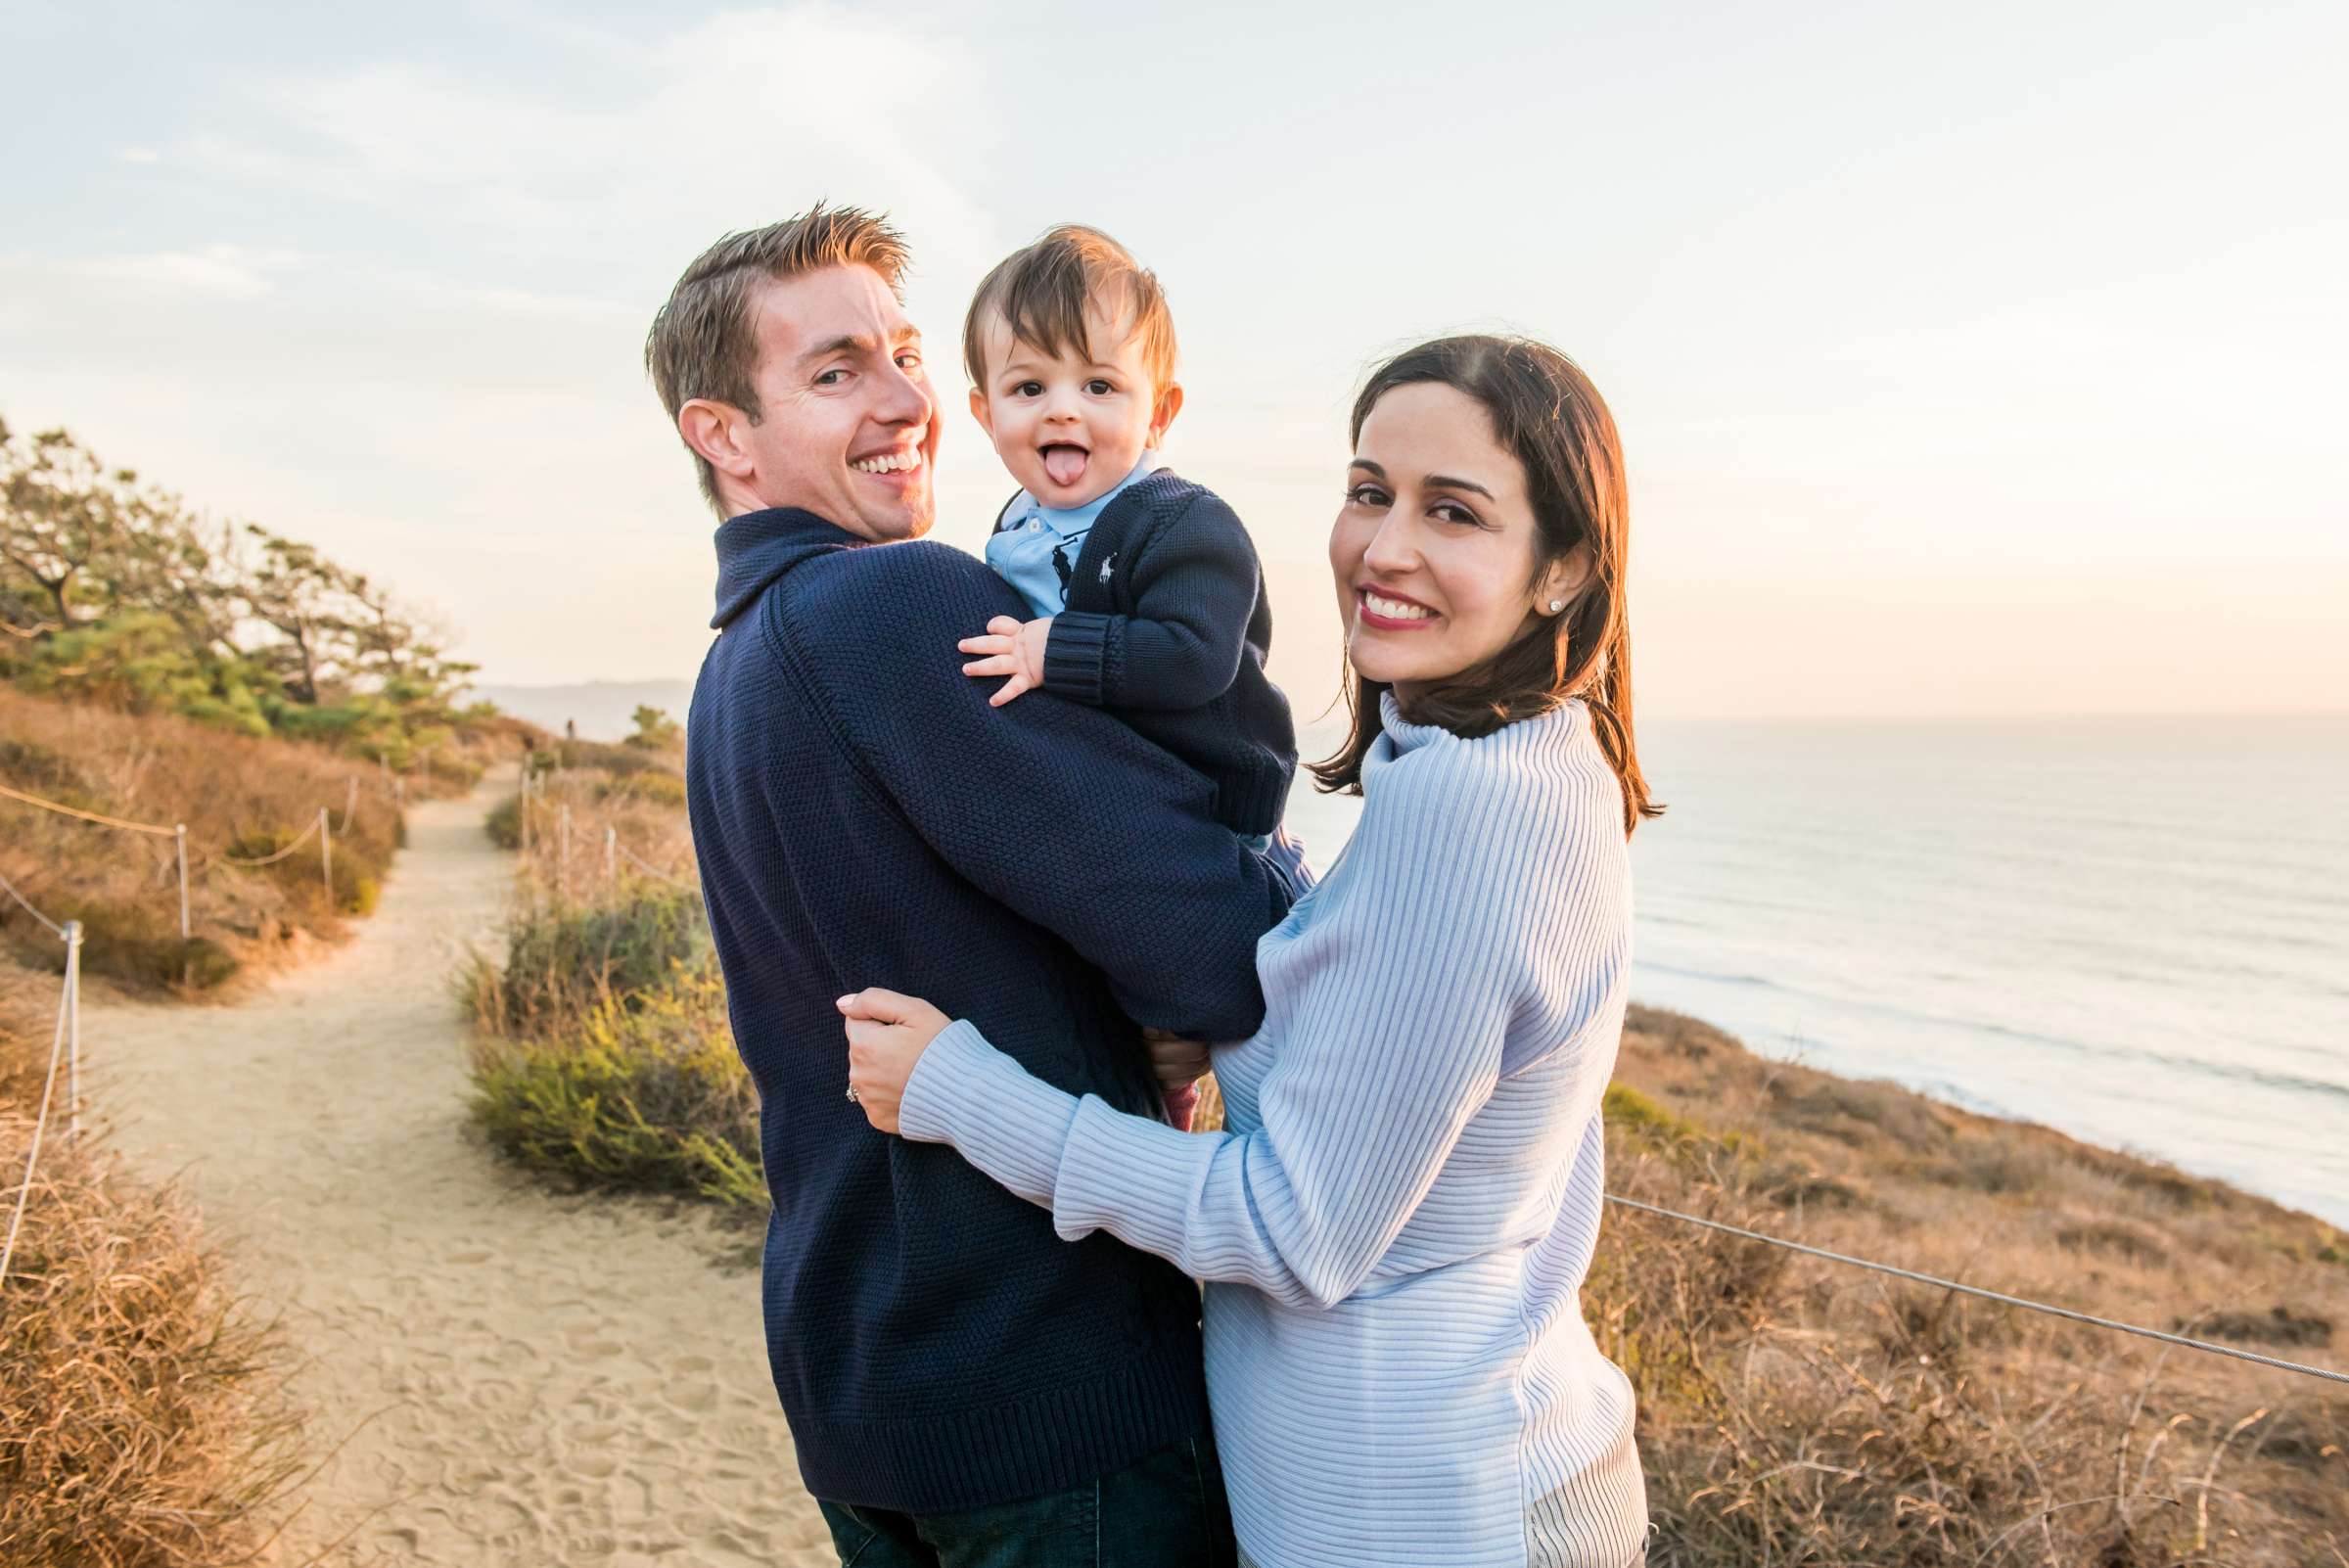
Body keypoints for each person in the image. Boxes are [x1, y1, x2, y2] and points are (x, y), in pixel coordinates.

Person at [842, 335, 1662, 1568]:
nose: (1385, 548)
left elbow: (1296, 1234)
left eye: (1455, 512)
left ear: (1564, 568)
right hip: (1462, 1464)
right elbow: (1419, 1064)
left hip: (1427, 1516)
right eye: (1370, 490)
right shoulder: (1528, 758)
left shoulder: (1474, 814)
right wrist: (1236, 1023)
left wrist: (965, 1094)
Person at [647, 204, 1302, 1566]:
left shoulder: (736, 666)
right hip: (1040, 1391)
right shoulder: (888, 606)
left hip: (861, 1372)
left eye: (901, 353)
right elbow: (1224, 944)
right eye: (836, 373)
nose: (907, 401)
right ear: (724, 434)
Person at [952, 223, 1304, 1125]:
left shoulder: (1183, 522)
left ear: (1159, 411)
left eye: (1100, 386)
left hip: (1215, 804)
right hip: (1122, 793)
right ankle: (1149, 1089)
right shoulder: (1016, 528)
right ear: (985, 412)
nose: (1064, 411)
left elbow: (1192, 656)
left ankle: (1177, 1086)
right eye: (1030, 387)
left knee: (1176, 996)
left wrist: (1048, 651)